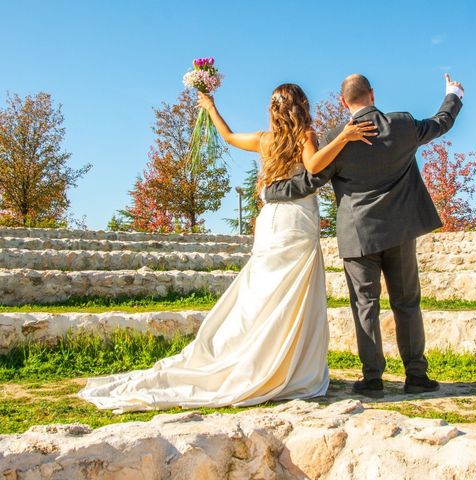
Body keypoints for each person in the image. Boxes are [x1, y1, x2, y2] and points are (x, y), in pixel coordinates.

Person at [77, 83, 376, 412]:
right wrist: (343, 138)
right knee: (292, 294)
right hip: (297, 221)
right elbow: (316, 166)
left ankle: (250, 354)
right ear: (302, 106)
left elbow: (229, 137)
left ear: (273, 110)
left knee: (263, 292)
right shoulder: (306, 134)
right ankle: (286, 365)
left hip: (271, 221)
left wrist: (210, 107)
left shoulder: (265, 140)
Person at [263, 73, 464, 398]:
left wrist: (273, 192)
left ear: (344, 102)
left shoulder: (334, 139)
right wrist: (453, 93)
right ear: (372, 94)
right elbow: (441, 122)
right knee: (407, 304)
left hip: (358, 236)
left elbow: (310, 180)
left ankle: (372, 380)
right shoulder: (402, 125)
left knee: (365, 306)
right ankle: (416, 376)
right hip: (400, 232)